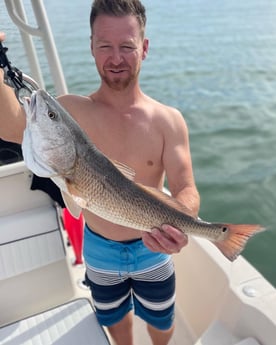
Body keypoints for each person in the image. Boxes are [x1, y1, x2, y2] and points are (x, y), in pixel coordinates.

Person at [0, 0, 200, 344]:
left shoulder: (169, 120)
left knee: (161, 319)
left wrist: (184, 222)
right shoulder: (71, 111)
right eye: (105, 45)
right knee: (114, 318)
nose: (116, 57)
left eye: (127, 46)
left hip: (154, 250)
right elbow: (10, 127)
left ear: (145, 48)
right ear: (91, 46)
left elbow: (186, 188)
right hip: (99, 250)